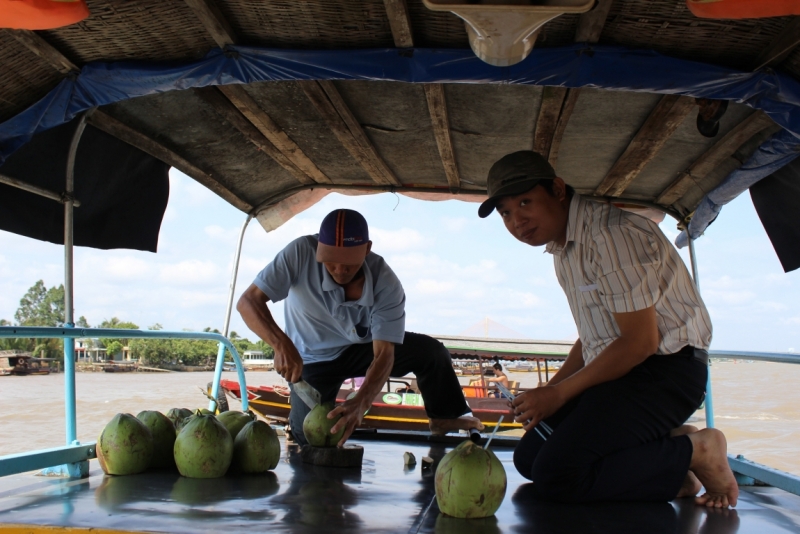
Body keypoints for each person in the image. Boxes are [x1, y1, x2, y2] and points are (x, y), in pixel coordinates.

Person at [477, 150, 738, 508]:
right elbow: (593, 338)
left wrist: (560, 396)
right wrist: (550, 391)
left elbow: (639, 342)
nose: (516, 220)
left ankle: (698, 451)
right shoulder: (563, 249)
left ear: (557, 189)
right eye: (506, 212)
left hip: (665, 372)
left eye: (525, 202)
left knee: (559, 475)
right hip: (620, 373)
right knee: (529, 461)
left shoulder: (610, 236)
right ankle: (673, 464)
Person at [237, 208, 482, 446]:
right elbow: (248, 302)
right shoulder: (299, 252)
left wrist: (362, 401)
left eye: (349, 263)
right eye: (330, 262)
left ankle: (442, 418)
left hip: (362, 350)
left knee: (432, 352)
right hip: (311, 359)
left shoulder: (386, 283)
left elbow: (384, 354)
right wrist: (281, 344)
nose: (339, 270)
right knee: (309, 437)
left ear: (367, 249)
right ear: (319, 249)